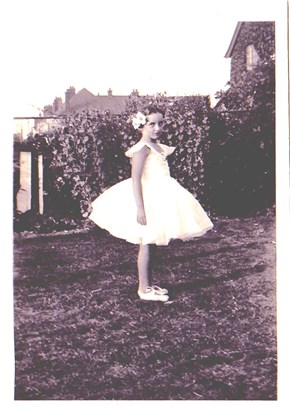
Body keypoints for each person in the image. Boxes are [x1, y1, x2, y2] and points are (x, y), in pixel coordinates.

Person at [89, 105, 213, 302]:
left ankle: (148, 284)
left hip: (162, 194)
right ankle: (143, 289)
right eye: (152, 124)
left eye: (161, 123)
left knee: (153, 241)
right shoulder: (142, 149)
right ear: (141, 126)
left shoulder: (158, 147)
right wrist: (140, 208)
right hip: (149, 197)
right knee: (147, 242)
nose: (157, 128)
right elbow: (136, 179)